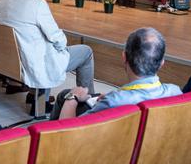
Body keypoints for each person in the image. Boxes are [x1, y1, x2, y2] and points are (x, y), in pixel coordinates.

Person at [0, 0, 96, 93]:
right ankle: (86, 101)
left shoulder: (1, 0)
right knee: (85, 52)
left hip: (9, 59)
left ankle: (39, 97)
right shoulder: (36, 4)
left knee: (39, 42)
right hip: (33, 63)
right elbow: (57, 38)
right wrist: (61, 48)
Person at [52, 27, 181, 120]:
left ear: (124, 57)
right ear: (162, 63)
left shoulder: (113, 102)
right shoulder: (175, 93)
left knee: (65, 95)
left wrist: (72, 98)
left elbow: (67, 133)